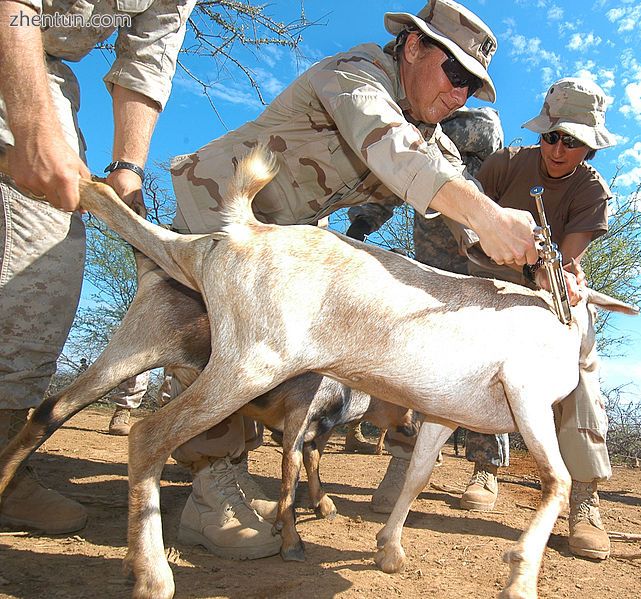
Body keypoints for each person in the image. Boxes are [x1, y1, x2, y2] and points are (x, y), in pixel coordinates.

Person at [168, 0, 539, 561]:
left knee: (264, 359)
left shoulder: (431, 137)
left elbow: (462, 217)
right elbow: (393, 149)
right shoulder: (356, 74)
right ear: (413, 46)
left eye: (472, 87)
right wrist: (487, 217)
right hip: (219, 211)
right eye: (455, 74)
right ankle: (211, 491)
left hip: (279, 245)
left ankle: (220, 476)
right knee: (209, 340)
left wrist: (536, 264)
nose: (460, 96)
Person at [369, 77, 616, 561]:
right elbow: (464, 210)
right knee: (424, 343)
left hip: (547, 292)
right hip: (482, 282)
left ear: (589, 146)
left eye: (573, 141)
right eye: (552, 136)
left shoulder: (591, 191)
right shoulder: (507, 163)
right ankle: (404, 454)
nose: (559, 148)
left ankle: (578, 493)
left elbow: (564, 262)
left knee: (580, 366)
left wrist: (550, 273)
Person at [0, 0, 195, 534]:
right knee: (36, 238)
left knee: (56, 248)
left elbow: (147, 60)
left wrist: (128, 169)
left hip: (40, 66)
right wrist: (32, 127)